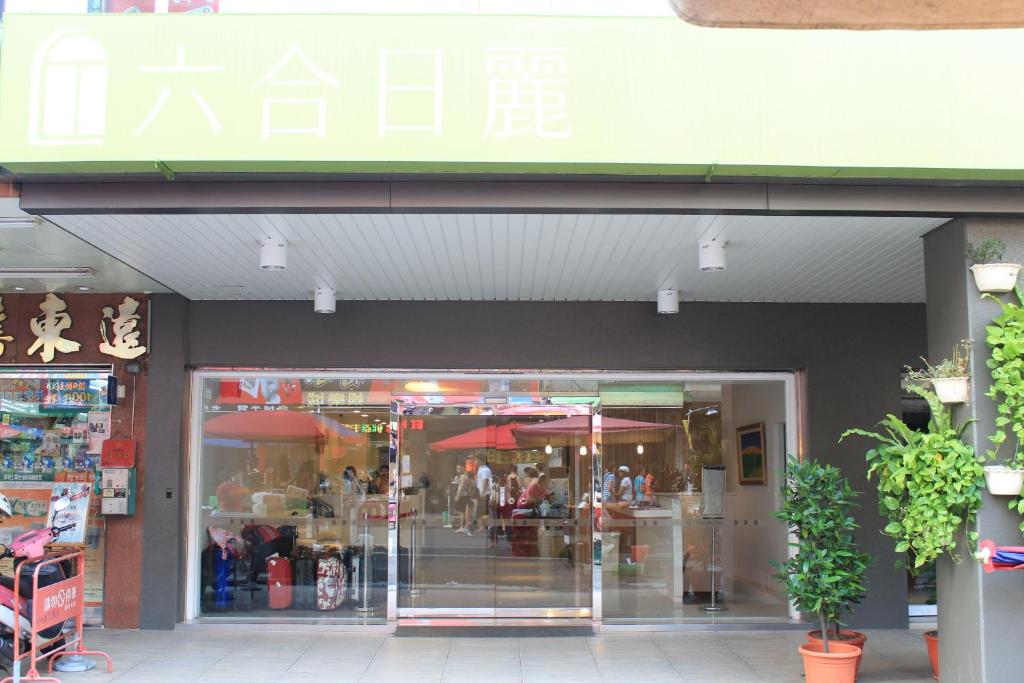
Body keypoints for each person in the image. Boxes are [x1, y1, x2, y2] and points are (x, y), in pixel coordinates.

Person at [454, 465, 478, 535]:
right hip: (466, 496)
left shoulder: (463, 477)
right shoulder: (466, 477)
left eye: (459, 468)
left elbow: (461, 487)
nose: (457, 469)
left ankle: (464, 527)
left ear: (463, 468)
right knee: (463, 512)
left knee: (462, 512)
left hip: (463, 496)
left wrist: (458, 495)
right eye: (457, 468)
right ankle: (463, 527)